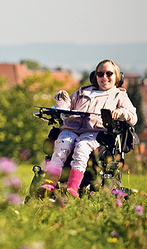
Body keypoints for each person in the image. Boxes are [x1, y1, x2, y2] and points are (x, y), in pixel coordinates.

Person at [38, 59, 137, 198]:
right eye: (100, 74)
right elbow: (66, 109)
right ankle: (49, 183)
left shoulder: (119, 95)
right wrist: (62, 101)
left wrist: (120, 112)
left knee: (82, 148)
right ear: (95, 76)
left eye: (109, 74)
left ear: (117, 77)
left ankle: (72, 188)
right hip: (71, 129)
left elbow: (133, 117)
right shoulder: (82, 92)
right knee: (60, 145)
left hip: (94, 133)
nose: (104, 77)